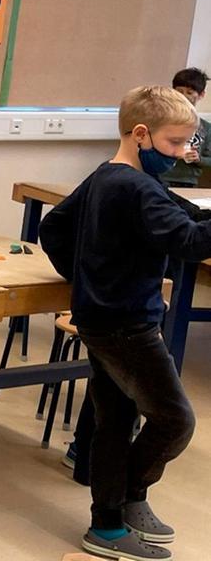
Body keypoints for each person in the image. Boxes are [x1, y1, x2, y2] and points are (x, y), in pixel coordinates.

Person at [38, 85, 204, 561]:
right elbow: (189, 242)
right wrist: (92, 277)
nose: (178, 155)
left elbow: (55, 227)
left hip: (101, 318)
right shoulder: (134, 187)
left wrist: (84, 278)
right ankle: (126, 496)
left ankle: (109, 523)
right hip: (127, 326)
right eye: (173, 144)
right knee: (175, 421)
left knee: (116, 421)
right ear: (141, 134)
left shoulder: (107, 177)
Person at [161, 67, 211, 188]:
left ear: (201, 95)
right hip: (160, 178)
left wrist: (198, 159)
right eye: (179, 91)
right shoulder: (160, 120)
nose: (183, 96)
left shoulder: (206, 127)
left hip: (188, 182)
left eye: (189, 92)